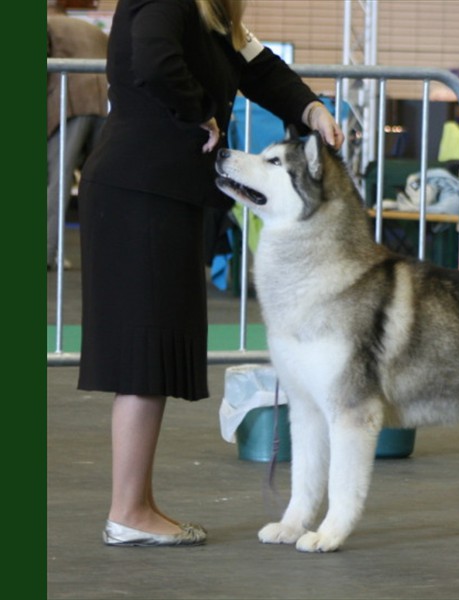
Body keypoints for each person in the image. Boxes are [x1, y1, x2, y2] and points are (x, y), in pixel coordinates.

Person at [76, 0, 344, 547]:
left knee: (151, 356)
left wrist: (311, 107)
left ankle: (137, 504)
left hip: (159, 194)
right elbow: (154, 61)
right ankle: (128, 510)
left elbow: (260, 66)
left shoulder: (214, 16)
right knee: (144, 357)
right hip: (141, 193)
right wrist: (201, 109)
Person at [46, 0, 109, 270]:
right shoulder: (88, 27)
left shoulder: (48, 25)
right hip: (102, 106)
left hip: (68, 105)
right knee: (101, 184)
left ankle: (45, 253)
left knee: (57, 181)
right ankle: (110, 253)